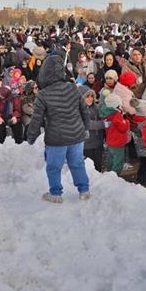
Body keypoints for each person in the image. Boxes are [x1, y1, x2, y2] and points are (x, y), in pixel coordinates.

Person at [26, 56, 90, 203]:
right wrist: (86, 128)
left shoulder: (43, 94)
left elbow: (36, 119)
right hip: (77, 135)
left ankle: (55, 194)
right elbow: (84, 110)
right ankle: (84, 190)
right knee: (77, 164)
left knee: (54, 167)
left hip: (56, 138)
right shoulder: (72, 88)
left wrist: (31, 136)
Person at [102, 92, 130, 174]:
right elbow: (123, 128)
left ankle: (109, 173)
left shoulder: (106, 113)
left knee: (110, 159)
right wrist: (127, 122)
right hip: (118, 142)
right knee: (118, 161)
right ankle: (115, 177)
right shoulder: (116, 115)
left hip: (110, 140)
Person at [78, 86, 104, 173]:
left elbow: (103, 115)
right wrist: (104, 124)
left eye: (91, 96)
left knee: (98, 167)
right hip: (87, 145)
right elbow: (88, 124)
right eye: (87, 96)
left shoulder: (96, 107)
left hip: (98, 143)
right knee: (89, 169)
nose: (90, 99)